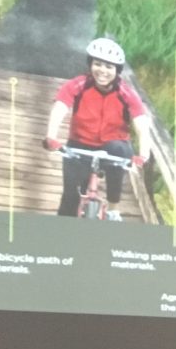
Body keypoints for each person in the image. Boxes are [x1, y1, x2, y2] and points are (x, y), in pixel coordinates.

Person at [43, 37, 150, 221]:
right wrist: (51, 136)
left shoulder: (125, 92)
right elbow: (60, 107)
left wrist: (143, 155)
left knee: (118, 152)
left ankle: (113, 209)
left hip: (114, 144)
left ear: (117, 71)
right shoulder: (79, 84)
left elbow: (141, 123)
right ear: (90, 64)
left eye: (109, 67)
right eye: (98, 64)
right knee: (71, 196)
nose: (103, 71)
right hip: (80, 143)